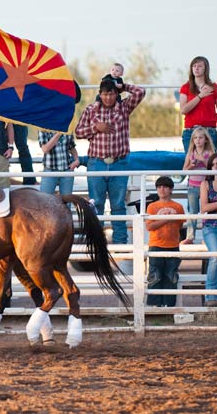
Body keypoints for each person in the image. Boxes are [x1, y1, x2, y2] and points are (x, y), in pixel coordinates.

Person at [75, 79, 146, 244]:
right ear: (100, 94)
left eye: (111, 93)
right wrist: (95, 128)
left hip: (118, 163)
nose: (108, 97)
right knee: (96, 204)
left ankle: (120, 243)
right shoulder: (91, 110)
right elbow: (78, 132)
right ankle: (97, 242)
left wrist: (124, 86)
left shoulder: (124, 108)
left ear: (116, 94)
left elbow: (140, 92)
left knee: (118, 205)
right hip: (97, 163)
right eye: (105, 94)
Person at [146, 176, 185, 307]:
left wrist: (164, 220)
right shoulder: (152, 206)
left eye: (165, 187)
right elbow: (149, 226)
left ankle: (169, 305)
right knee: (155, 275)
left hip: (173, 245)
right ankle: (154, 306)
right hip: (156, 244)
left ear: (171, 189)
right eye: (159, 187)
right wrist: (167, 219)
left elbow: (180, 225)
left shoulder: (178, 207)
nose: (161, 189)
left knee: (171, 276)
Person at [181, 127, 215, 244]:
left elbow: (213, 168)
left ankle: (208, 236)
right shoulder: (191, 153)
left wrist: (203, 160)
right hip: (192, 186)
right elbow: (184, 171)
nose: (198, 140)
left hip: (206, 186)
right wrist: (191, 165)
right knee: (193, 212)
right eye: (195, 138)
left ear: (205, 140)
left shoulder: (209, 153)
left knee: (207, 211)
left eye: (200, 137)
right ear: (192, 140)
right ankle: (190, 237)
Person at [179, 56, 217, 153]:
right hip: (191, 133)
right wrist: (200, 96)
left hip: (210, 132)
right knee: (191, 164)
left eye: (199, 66)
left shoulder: (214, 88)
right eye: (194, 66)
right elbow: (183, 110)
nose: (196, 68)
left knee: (211, 164)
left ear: (205, 69)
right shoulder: (186, 87)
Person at [38, 131, 80, 195]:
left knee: (67, 202)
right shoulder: (43, 128)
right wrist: (59, 133)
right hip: (50, 171)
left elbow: (71, 147)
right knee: (44, 200)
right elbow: (45, 149)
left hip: (67, 170)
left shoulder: (67, 126)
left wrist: (76, 160)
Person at [200, 153, 217, 307]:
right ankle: (210, 295)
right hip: (210, 227)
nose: (216, 167)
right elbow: (204, 208)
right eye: (214, 164)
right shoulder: (205, 184)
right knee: (215, 256)